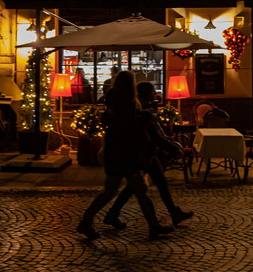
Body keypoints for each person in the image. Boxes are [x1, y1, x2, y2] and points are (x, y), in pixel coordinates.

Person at [76, 71, 174, 240]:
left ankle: (87, 221)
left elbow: (109, 120)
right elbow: (131, 124)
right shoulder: (129, 102)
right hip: (127, 154)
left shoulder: (112, 98)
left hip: (115, 153)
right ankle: (153, 225)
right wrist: (146, 116)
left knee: (112, 192)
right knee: (137, 191)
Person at [103, 81, 194, 229]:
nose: (155, 94)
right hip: (143, 155)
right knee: (135, 187)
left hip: (148, 153)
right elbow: (154, 134)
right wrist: (173, 149)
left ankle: (172, 213)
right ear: (146, 94)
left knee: (158, 184)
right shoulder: (141, 110)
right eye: (152, 91)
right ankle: (114, 215)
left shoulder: (145, 107)